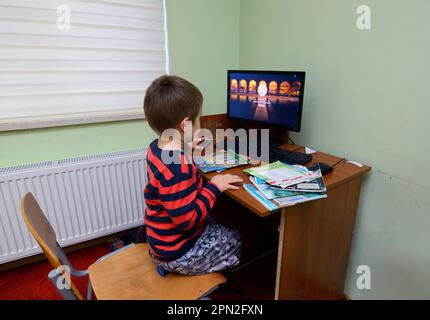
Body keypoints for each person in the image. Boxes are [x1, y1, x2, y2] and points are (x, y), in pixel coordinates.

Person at [143, 75, 242, 275]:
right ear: (185, 125)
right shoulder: (179, 167)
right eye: (199, 119)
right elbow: (187, 220)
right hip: (178, 253)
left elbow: (169, 177)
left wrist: (186, 150)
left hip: (160, 242)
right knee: (236, 238)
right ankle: (203, 272)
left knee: (216, 220)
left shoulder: (156, 148)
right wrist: (215, 186)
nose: (200, 124)